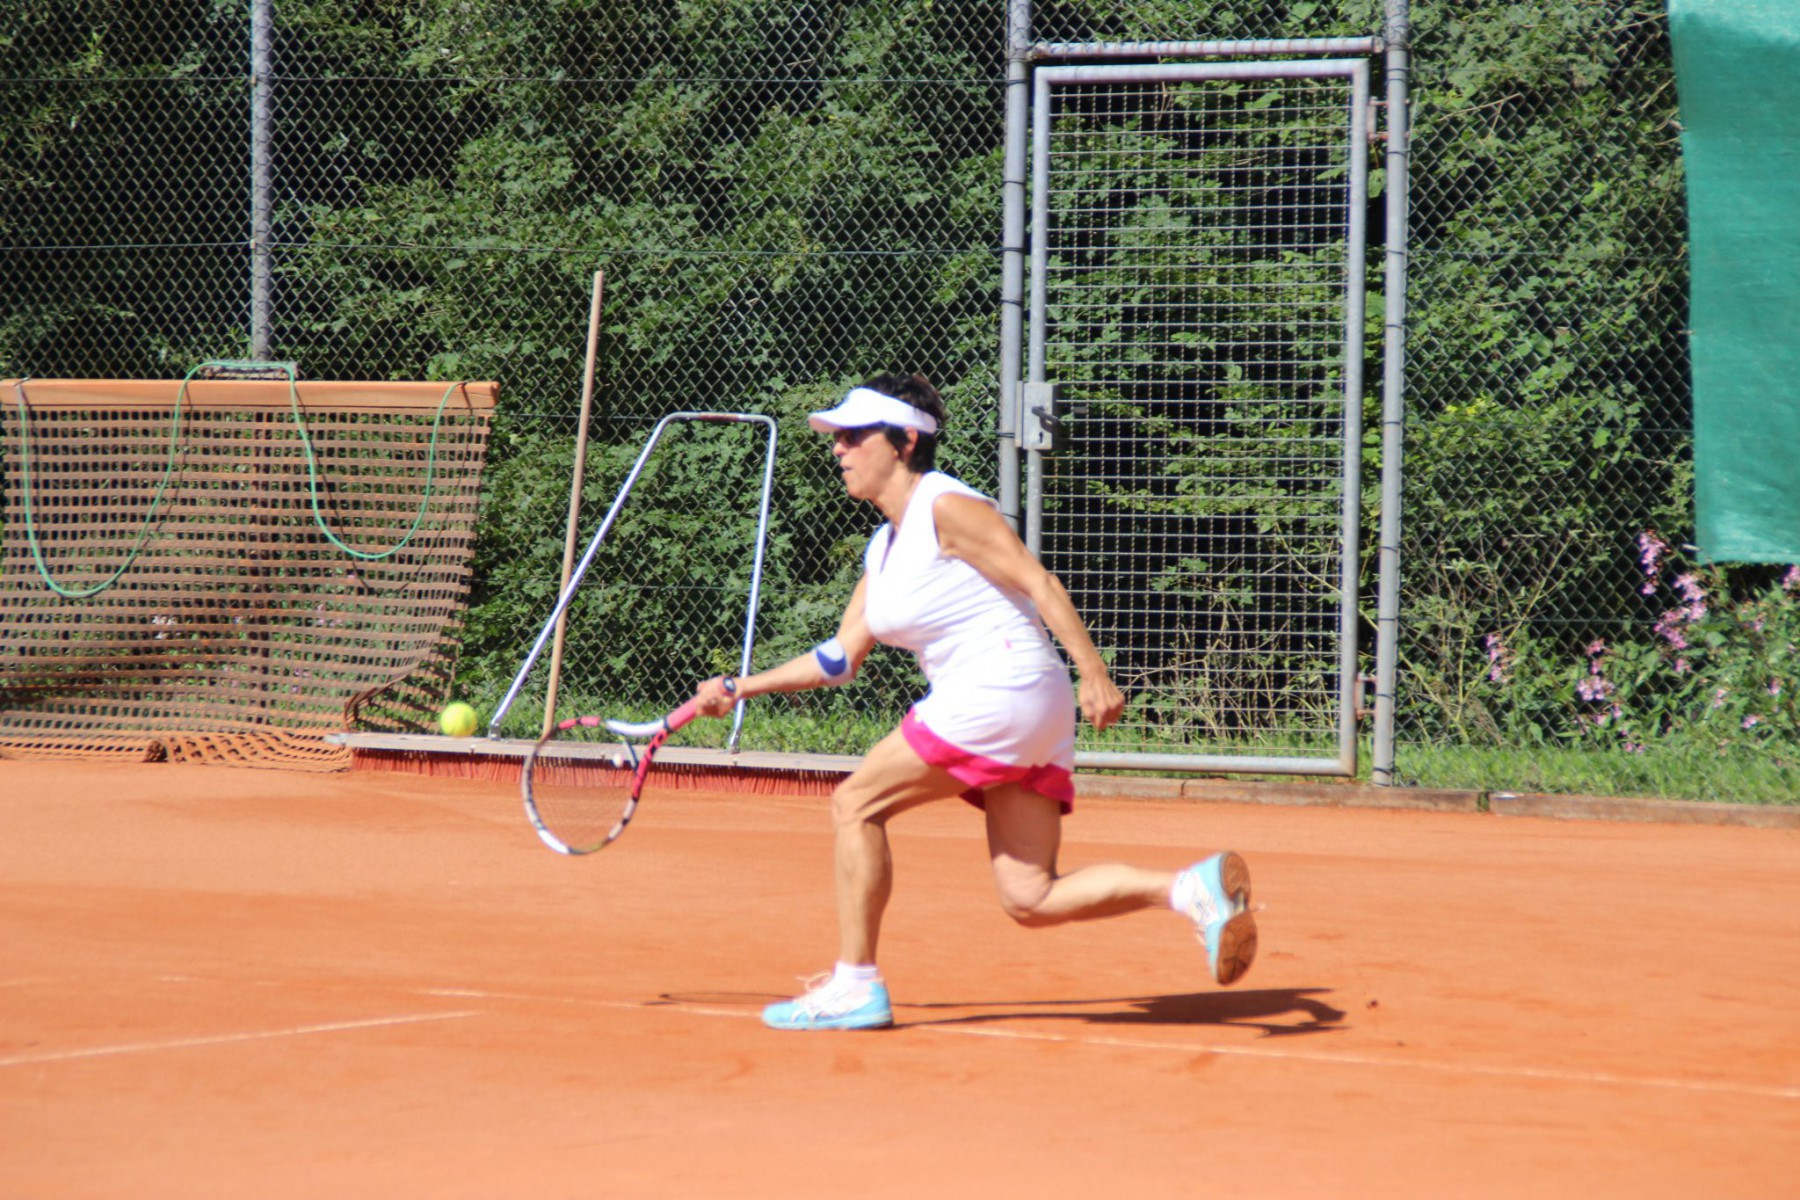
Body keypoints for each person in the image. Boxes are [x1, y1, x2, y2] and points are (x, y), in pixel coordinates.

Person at [693, 373, 1256, 1031]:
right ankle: (1192, 891)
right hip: (1026, 705)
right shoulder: (885, 547)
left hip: (998, 687)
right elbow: (841, 657)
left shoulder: (946, 505)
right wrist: (741, 687)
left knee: (855, 804)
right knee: (1029, 896)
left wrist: (1095, 672)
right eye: (837, 437)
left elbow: (1038, 581)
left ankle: (855, 985)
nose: (838, 448)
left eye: (853, 435)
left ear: (904, 441)